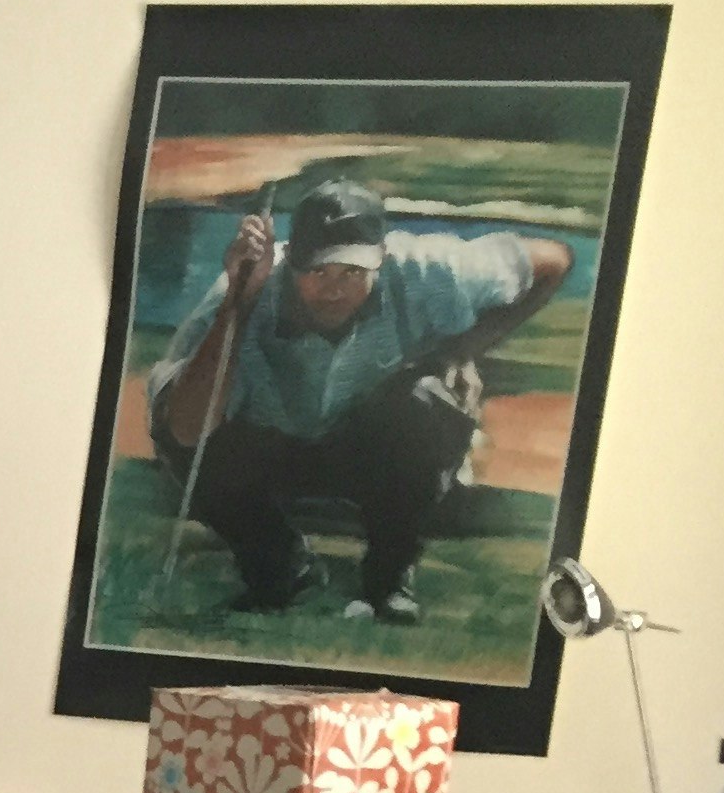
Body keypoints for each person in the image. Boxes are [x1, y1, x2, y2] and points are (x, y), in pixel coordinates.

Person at [146, 175, 571, 624]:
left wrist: (461, 351)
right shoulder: (244, 288)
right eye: (317, 272)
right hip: (265, 447)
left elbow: (553, 261)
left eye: (352, 271)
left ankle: (389, 577)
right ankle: (280, 565)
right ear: (291, 261)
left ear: (380, 259)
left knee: (429, 404)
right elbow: (185, 430)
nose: (334, 289)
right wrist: (238, 304)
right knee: (177, 427)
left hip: (365, 443)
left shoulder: (427, 269)